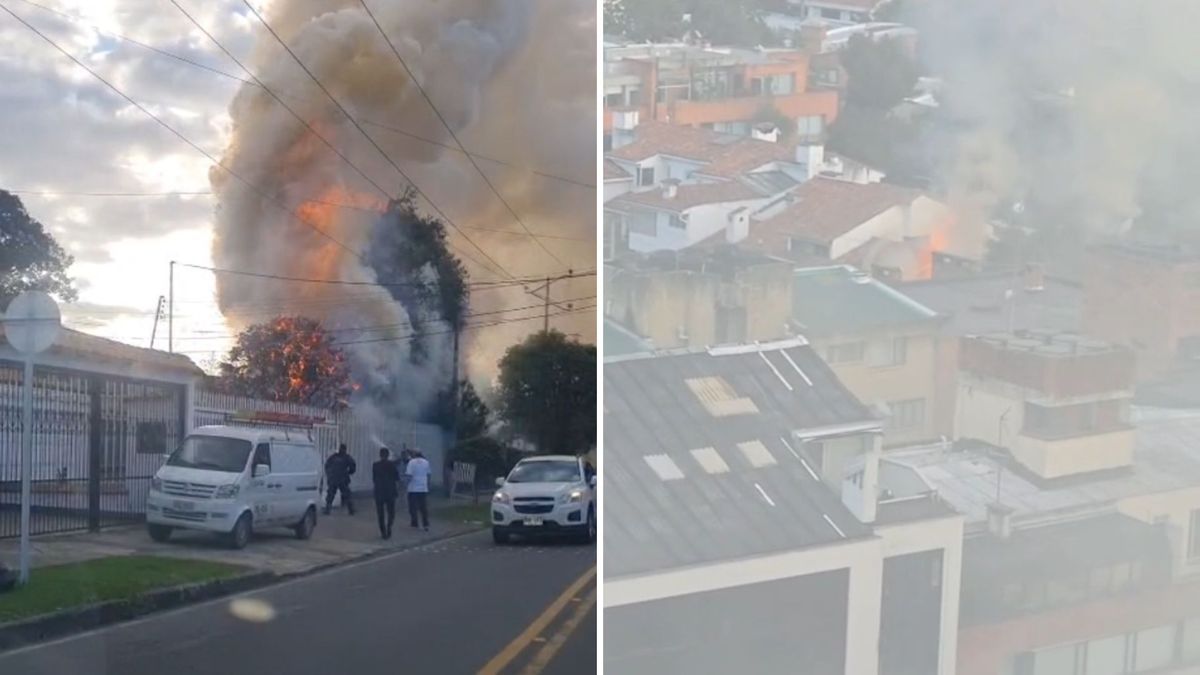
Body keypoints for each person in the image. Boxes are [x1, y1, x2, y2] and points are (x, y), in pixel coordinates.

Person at [372, 447, 400, 539]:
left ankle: (383, 532)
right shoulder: (392, 465)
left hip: (379, 491)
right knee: (391, 512)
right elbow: (397, 477)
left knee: (380, 514)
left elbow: (374, 478)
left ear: (380, 455)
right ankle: (389, 526)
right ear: (388, 455)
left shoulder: (375, 465)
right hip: (390, 491)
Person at [324, 443, 357, 516]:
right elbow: (353, 467)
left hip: (336, 479)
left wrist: (329, 474)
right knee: (346, 494)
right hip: (341, 479)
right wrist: (349, 472)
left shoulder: (334, 457)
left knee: (332, 494)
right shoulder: (346, 457)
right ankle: (351, 509)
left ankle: (328, 509)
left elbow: (327, 465)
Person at [405, 448, 431, 531]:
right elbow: (428, 475)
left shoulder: (411, 462)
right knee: (423, 507)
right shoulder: (426, 462)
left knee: (413, 507)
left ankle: (414, 523)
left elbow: (409, 475)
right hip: (423, 488)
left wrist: (405, 485)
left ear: (414, 454)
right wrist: (428, 485)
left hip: (413, 488)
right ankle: (425, 524)